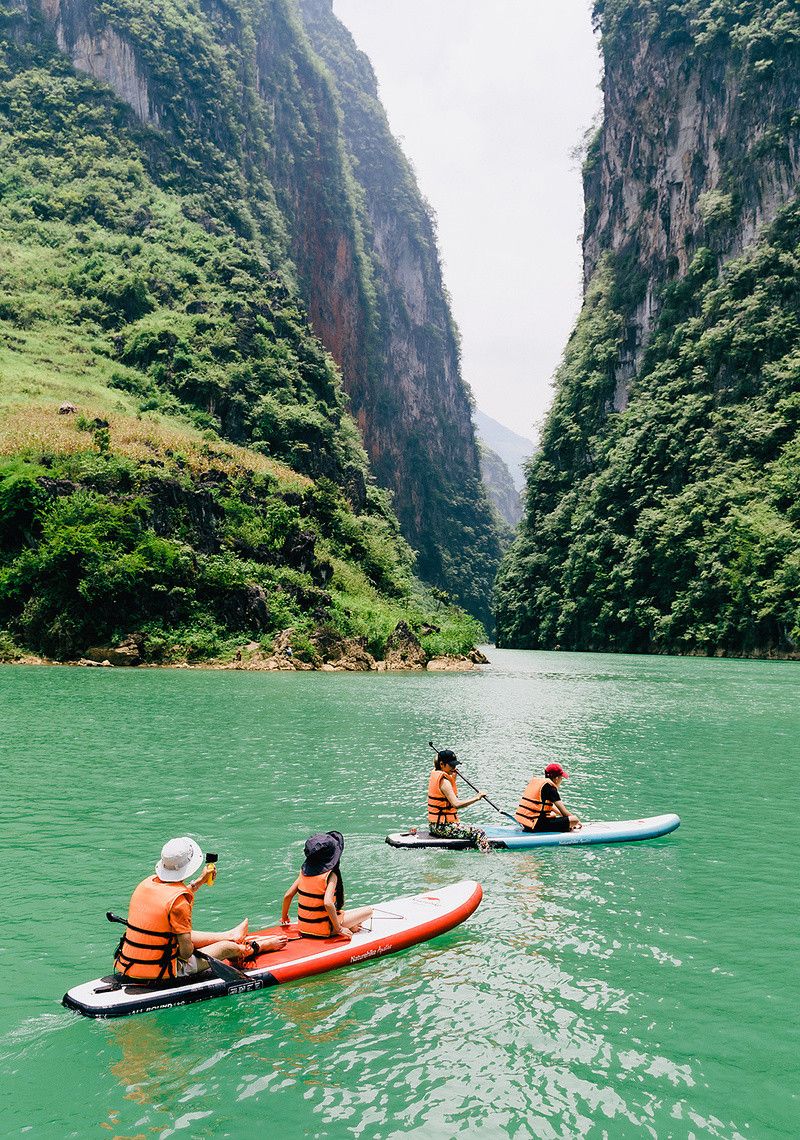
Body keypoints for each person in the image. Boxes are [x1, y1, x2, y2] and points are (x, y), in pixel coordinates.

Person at [113, 836, 287, 983]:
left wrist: (201, 881)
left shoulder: (146, 884)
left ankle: (231, 935)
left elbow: (169, 903)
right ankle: (254, 947)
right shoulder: (179, 902)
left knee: (186, 934)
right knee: (227, 948)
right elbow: (185, 953)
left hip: (130, 963)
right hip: (167, 969)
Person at [281, 831, 372, 940]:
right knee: (368, 911)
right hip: (324, 930)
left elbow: (288, 895)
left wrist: (284, 917)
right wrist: (339, 929)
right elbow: (328, 903)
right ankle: (346, 926)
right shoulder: (330, 875)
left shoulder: (303, 873)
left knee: (342, 914)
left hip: (303, 928)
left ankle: (352, 926)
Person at [427, 748, 491, 853]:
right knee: (480, 833)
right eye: (451, 765)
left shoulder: (437, 773)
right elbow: (456, 804)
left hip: (436, 825)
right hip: (443, 827)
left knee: (469, 828)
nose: (454, 767)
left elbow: (446, 794)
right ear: (442, 764)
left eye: (455, 765)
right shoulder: (444, 782)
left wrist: (453, 775)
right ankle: (488, 855)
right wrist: (477, 797)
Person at [515, 763, 581, 832]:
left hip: (526, 823)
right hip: (536, 825)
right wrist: (577, 822)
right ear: (556, 779)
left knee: (552, 814)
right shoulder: (551, 788)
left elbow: (551, 807)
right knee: (574, 819)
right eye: (561, 778)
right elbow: (564, 812)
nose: (561, 781)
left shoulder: (540, 784)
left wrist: (562, 817)